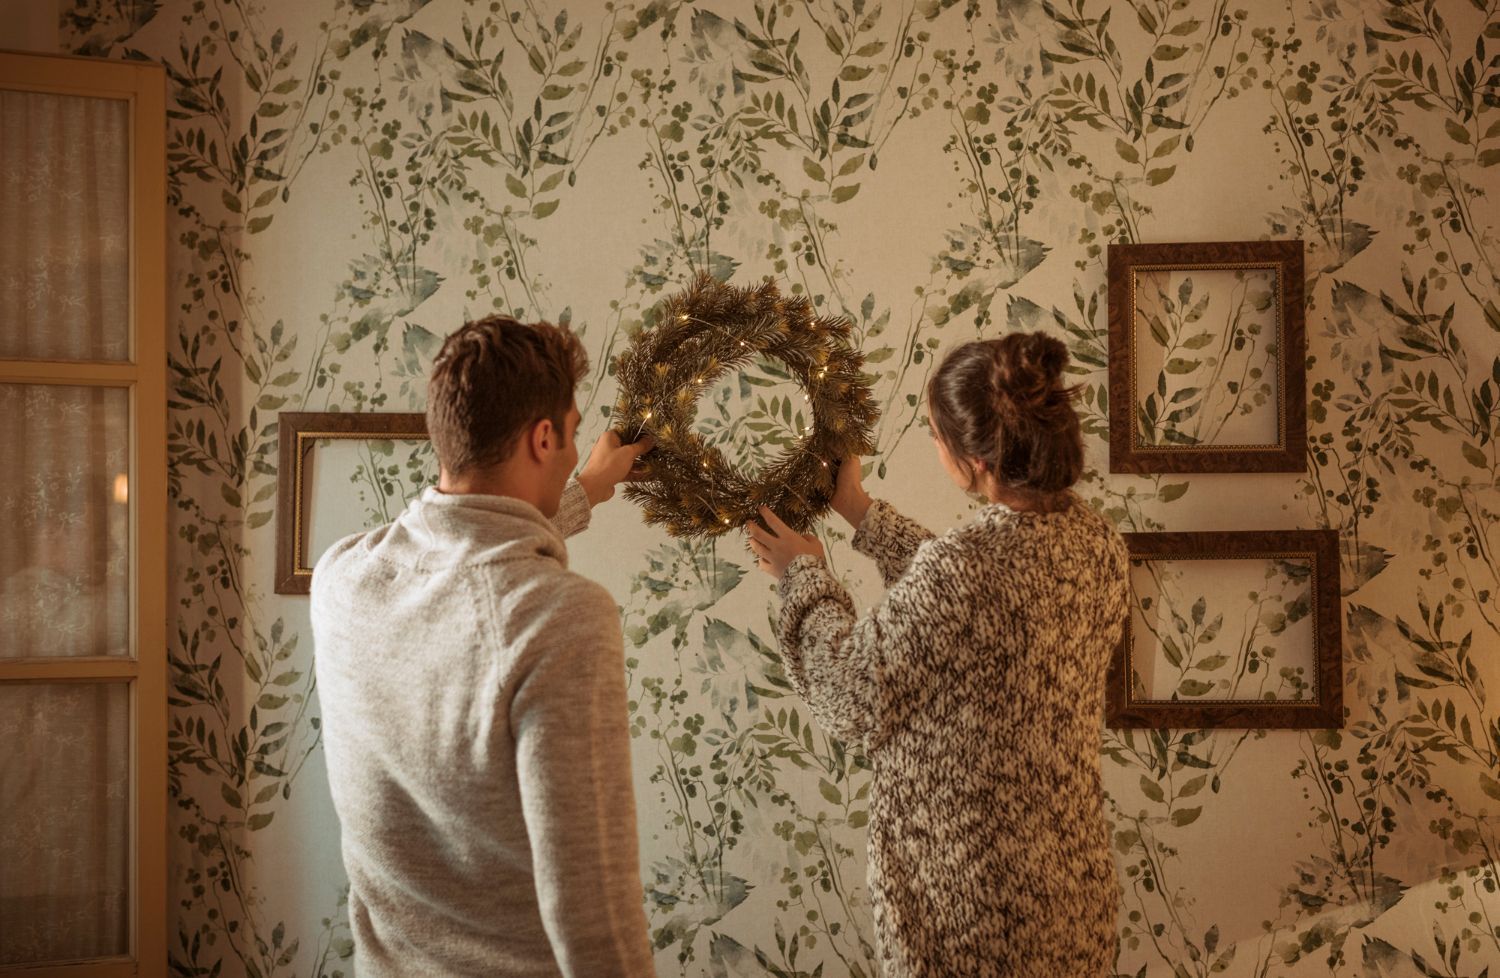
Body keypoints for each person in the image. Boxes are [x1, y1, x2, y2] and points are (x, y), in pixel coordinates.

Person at [745, 331, 1128, 978]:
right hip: (1072, 892)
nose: (931, 440)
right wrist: (858, 510)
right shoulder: (1097, 542)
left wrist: (802, 576)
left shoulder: (966, 568)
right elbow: (976, 611)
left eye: (934, 432)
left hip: (971, 906)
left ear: (974, 460)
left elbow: (846, 692)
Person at [311, 315, 657, 977]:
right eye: (571, 431)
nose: (572, 450)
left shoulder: (342, 578)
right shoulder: (563, 619)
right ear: (544, 437)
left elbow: (467, 553)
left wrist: (586, 489)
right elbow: (592, 914)